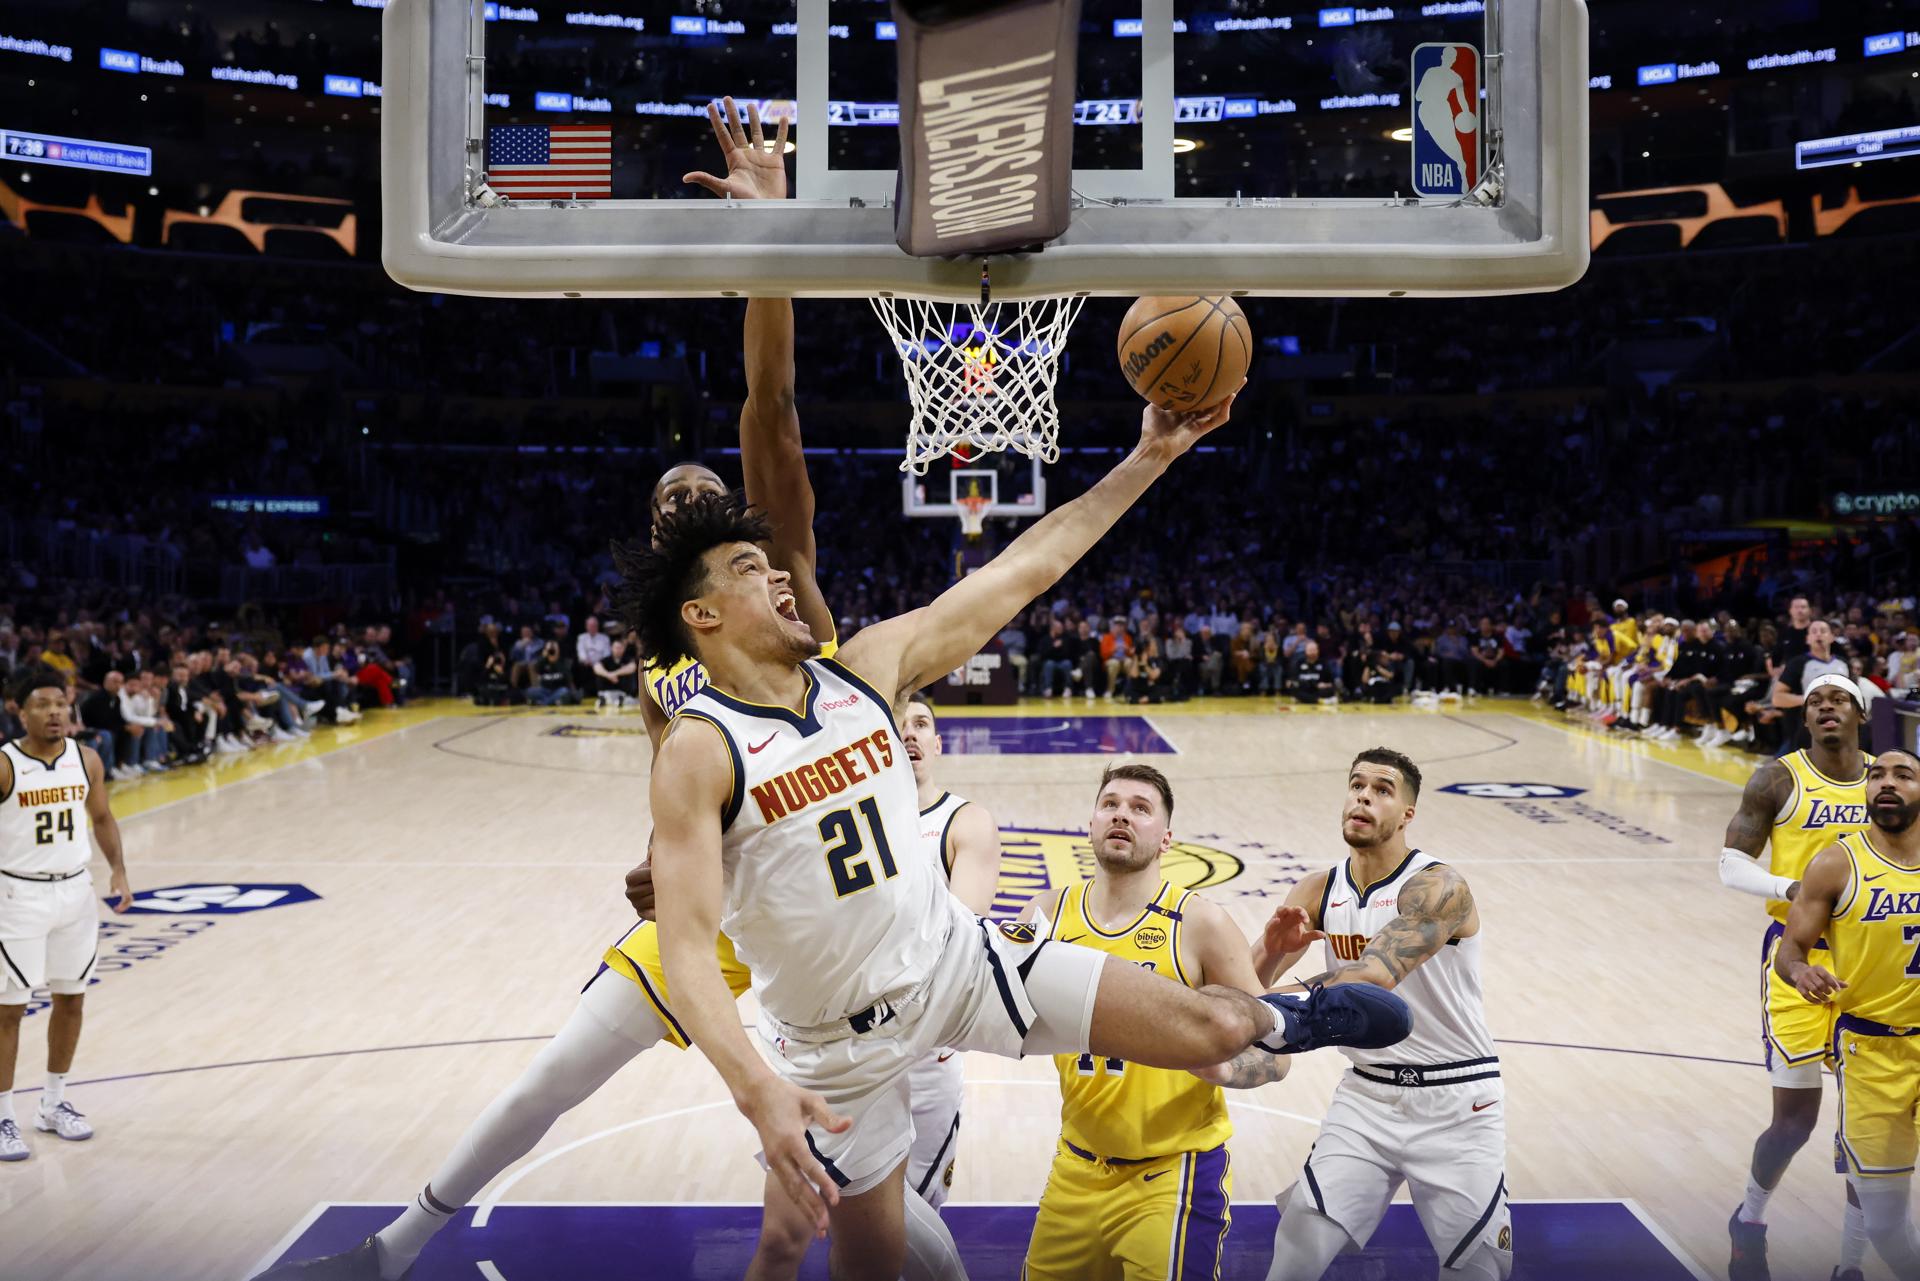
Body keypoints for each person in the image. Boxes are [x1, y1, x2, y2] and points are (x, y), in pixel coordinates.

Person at [251, 97, 952, 1281]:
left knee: (844, 1185)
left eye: (705, 495)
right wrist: (667, 856)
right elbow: (687, 789)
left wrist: (766, 246)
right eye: (668, 502)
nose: (689, 503)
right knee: (555, 1071)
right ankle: (395, 1246)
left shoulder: (784, 585)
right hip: (703, 922)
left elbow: (769, 409)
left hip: (803, 928)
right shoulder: (657, 656)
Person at [634, 399, 1410, 1280]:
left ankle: (1290, 1014)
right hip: (830, 1045)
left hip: (957, 965)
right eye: (749, 568)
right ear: (702, 616)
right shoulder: (699, 747)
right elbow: (689, 952)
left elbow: (1023, 569)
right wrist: (754, 1084)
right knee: (869, 1268)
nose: (779, 578)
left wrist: (1152, 453)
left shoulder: (866, 672)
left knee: (1215, 1028)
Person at [1205, 747, 1509, 1281]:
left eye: (1382, 789)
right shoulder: (1318, 890)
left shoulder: (1440, 888)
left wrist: (1278, 1003)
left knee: (1477, 1271)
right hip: (1367, 1095)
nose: (1364, 796)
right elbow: (1245, 990)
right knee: (1297, 1245)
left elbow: (1370, 983)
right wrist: (1273, 951)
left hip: (1457, 1100)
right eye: (1356, 785)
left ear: (1407, 814)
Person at [1022, 763, 1277, 1281]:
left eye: (1141, 809)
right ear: (1091, 823)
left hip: (1172, 1175)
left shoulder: (1201, 923)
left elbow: (1277, 1052)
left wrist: (1226, 1070)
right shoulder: (1047, 914)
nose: (1122, 815)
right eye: (1111, 804)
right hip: (1075, 1166)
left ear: (1165, 838)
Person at [1719, 675, 1875, 1281]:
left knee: (1867, 1124)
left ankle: (1852, 1265)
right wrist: (1798, 891)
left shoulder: (1888, 782)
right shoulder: (1780, 777)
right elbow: (1731, 865)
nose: (1825, 707)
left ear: (1861, 712)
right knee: (1794, 1123)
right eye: (1814, 701)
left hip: (1874, 959)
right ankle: (1750, 1219)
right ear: (1805, 718)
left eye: (1837, 699)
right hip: (1796, 954)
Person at [1774, 750, 1920, 1281]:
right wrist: (1800, 973)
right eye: (1876, 774)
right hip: (1872, 1051)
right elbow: (1790, 951)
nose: (1886, 783)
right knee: (1884, 1225)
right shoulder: (1836, 863)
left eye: (1903, 775)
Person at [0, 667, 134, 1162]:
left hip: (74, 892)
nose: (55, 712)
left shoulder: (87, 758)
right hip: (16, 894)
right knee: (8, 1010)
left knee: (72, 1000)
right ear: (19, 709)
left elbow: (101, 817)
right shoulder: (5, 764)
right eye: (42, 703)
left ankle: (53, 1104)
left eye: (60, 702)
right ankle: (2, 1116)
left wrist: (118, 871)